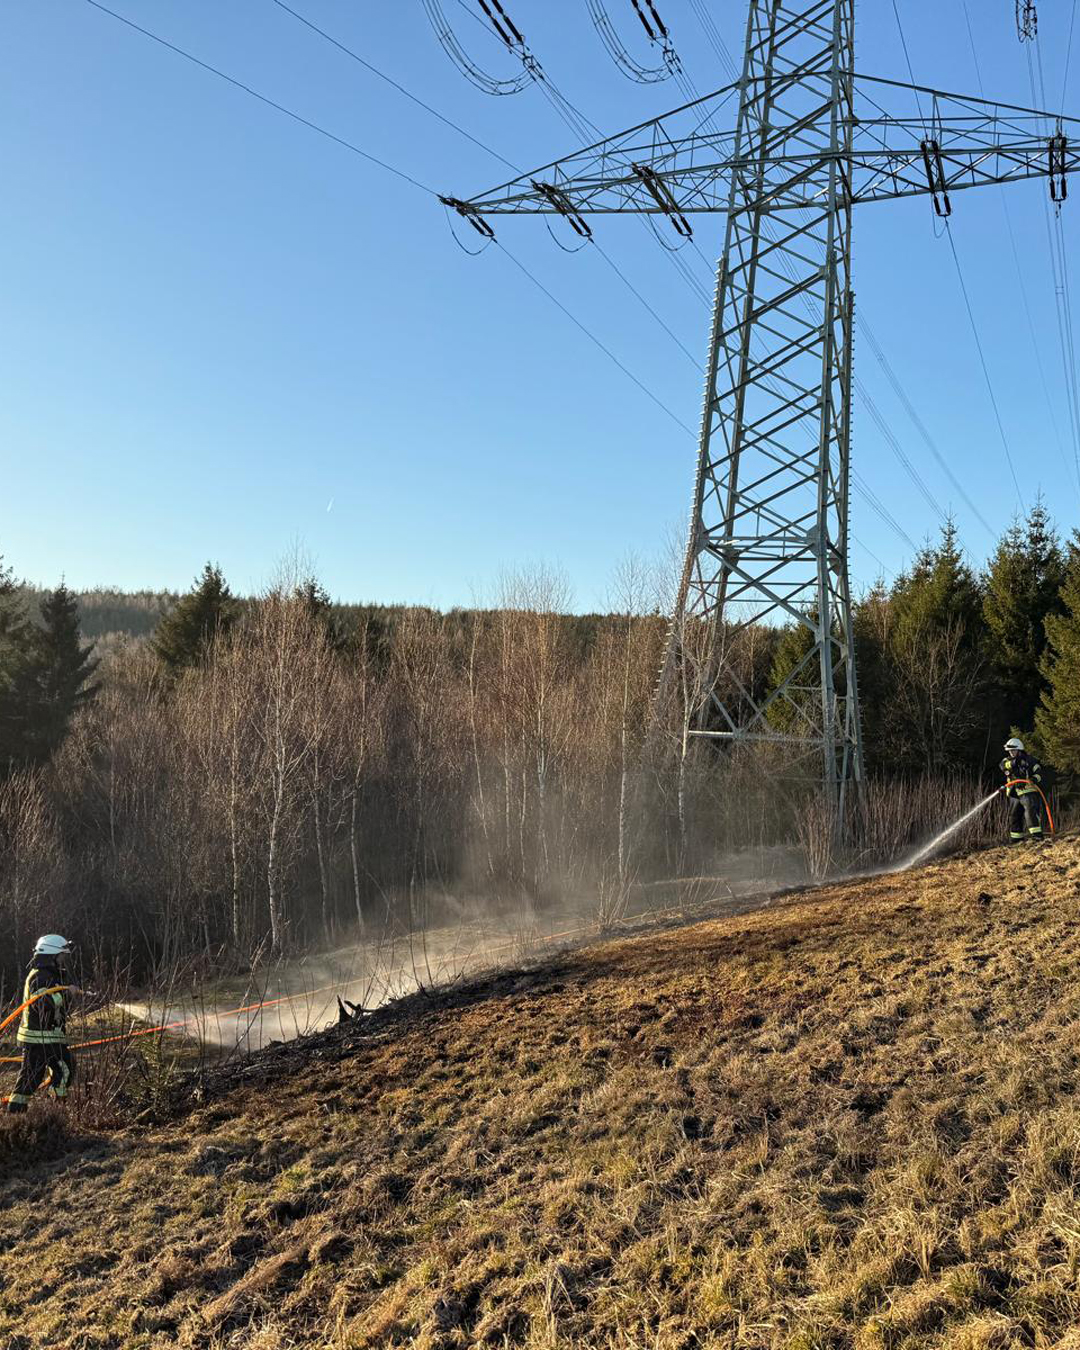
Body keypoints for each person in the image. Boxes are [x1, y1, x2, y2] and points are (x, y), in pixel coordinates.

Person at [4, 935, 75, 1114]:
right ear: (51, 956)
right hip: (38, 1038)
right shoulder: (40, 977)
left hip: (48, 1037)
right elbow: (43, 1004)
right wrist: (67, 994)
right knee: (32, 1077)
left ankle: (54, 1109)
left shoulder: (49, 976)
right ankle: (16, 1112)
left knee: (64, 1069)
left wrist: (66, 992)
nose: (63, 961)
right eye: (61, 956)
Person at [1000, 737, 1045, 844]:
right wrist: (1016, 762)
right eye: (1009, 751)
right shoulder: (1006, 761)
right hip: (1013, 792)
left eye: (1013, 750)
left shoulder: (1030, 760)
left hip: (1027, 791)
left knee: (1030, 813)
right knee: (1014, 815)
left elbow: (1039, 772)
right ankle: (1016, 838)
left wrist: (1034, 779)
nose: (1011, 752)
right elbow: (1003, 766)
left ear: (1019, 749)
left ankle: (1037, 836)